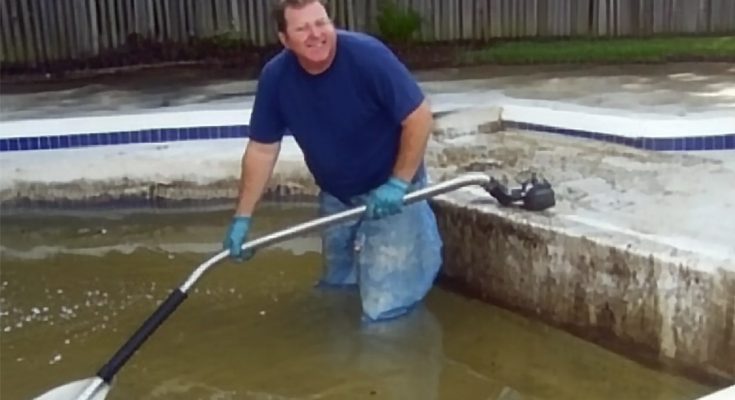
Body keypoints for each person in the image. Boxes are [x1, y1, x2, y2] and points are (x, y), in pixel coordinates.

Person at [222, 0, 443, 322]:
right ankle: (340, 361)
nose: (316, 35)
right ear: (285, 40)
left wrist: (398, 183)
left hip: (394, 194)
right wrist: (243, 218)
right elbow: (262, 150)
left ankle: (390, 363)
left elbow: (419, 118)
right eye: (302, 28)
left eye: (321, 23)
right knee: (337, 289)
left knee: (386, 306)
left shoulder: (367, 56)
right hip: (337, 195)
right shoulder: (276, 77)